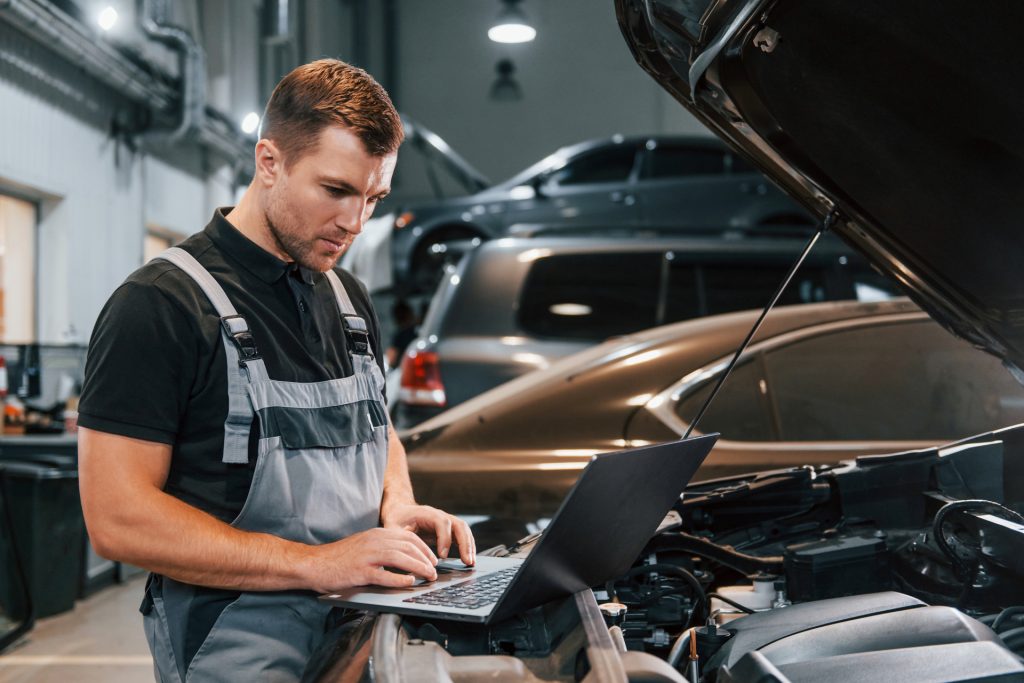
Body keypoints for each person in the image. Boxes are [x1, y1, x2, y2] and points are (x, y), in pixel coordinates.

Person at [77, 59, 475, 682]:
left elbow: (376, 429)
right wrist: (317, 564)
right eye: (337, 191)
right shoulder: (161, 306)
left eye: (374, 198)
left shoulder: (346, 297)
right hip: (237, 648)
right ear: (270, 162)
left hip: (360, 634)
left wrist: (397, 502)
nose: (354, 222)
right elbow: (117, 517)